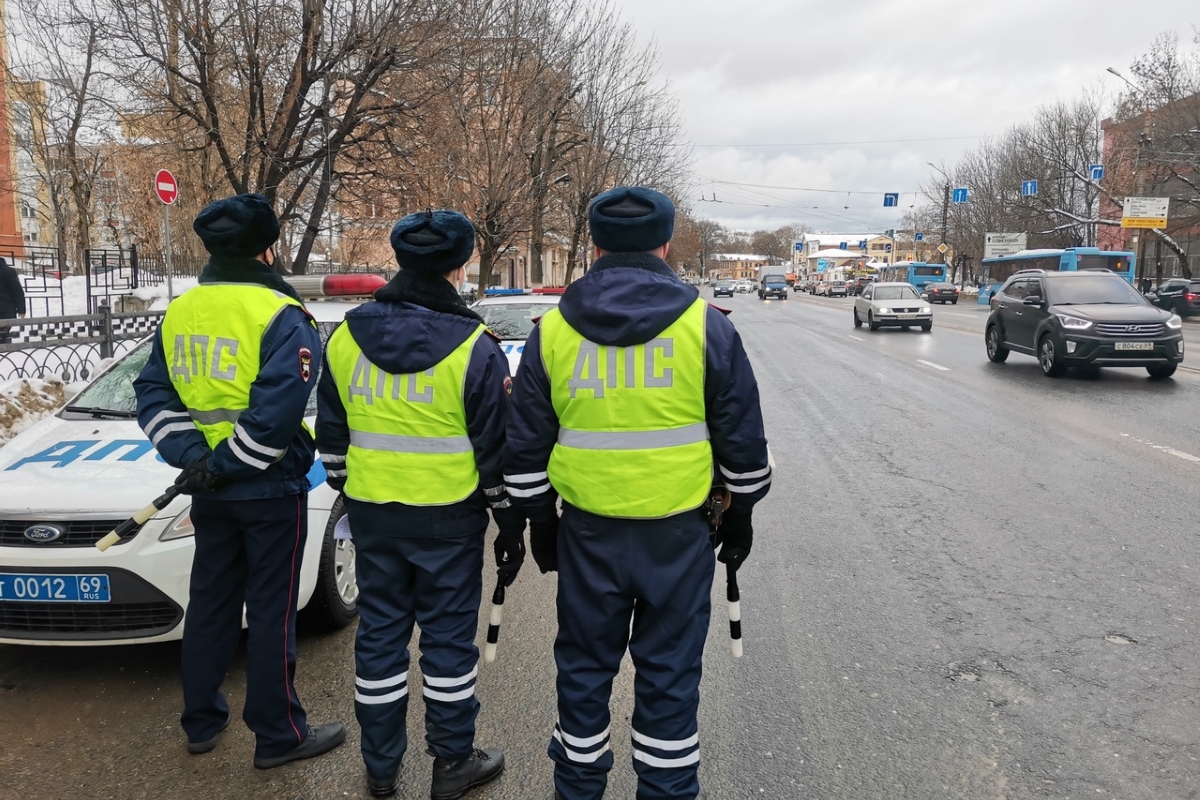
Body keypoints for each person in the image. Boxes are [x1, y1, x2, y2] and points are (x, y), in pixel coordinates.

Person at [504, 187, 772, 800]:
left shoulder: (552, 334)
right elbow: (743, 441)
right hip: (678, 538)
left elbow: (524, 450)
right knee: (670, 680)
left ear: (595, 247)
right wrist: (742, 516)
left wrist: (539, 522)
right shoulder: (707, 327)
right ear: (667, 245)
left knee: (582, 674)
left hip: (587, 535)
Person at [133, 193, 345, 769]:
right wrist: (227, 462)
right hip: (269, 487)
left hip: (208, 488)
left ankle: (201, 721)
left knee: (211, 604)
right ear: (268, 249)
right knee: (272, 611)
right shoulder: (280, 314)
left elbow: (152, 392)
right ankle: (279, 736)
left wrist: (192, 456)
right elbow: (276, 410)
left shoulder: (181, 311)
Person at [316, 209, 520, 799]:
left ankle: (381, 768)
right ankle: (452, 763)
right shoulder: (475, 345)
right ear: (459, 266)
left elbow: (332, 434)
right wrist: (507, 518)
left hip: (374, 513)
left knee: (379, 637)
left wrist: (351, 489)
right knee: (449, 645)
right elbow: (493, 449)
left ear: (400, 260)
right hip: (449, 519)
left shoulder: (347, 335)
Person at [0, 256, 26, 344]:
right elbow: (18, 292)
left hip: (5, 311)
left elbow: (18, 291)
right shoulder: (8, 271)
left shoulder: (7, 272)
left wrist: (21, 309)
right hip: (6, 311)